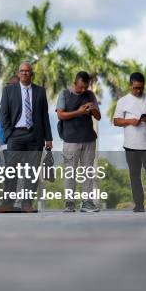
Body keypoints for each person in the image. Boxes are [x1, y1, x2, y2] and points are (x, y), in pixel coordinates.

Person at [0, 62, 53, 213]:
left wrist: (48, 137)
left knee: (32, 172)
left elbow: (44, 116)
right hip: (16, 135)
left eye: (27, 71)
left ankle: (27, 204)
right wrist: (8, 134)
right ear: (18, 73)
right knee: (11, 170)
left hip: (35, 135)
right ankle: (7, 203)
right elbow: (4, 114)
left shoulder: (40, 91)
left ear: (31, 74)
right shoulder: (9, 90)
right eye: (22, 71)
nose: (25, 73)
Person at [113, 72, 146, 212]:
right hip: (130, 146)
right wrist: (130, 121)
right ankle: (139, 205)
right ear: (130, 86)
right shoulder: (123, 101)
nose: (138, 90)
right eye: (135, 88)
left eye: (141, 87)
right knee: (134, 176)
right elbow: (116, 121)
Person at [56, 71, 101, 213]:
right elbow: (61, 115)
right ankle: (69, 203)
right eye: (80, 87)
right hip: (70, 140)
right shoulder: (64, 94)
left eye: (85, 88)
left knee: (88, 172)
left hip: (88, 139)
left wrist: (93, 109)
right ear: (75, 83)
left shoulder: (90, 95)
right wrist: (79, 112)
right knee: (70, 172)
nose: (82, 90)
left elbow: (98, 117)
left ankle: (87, 202)